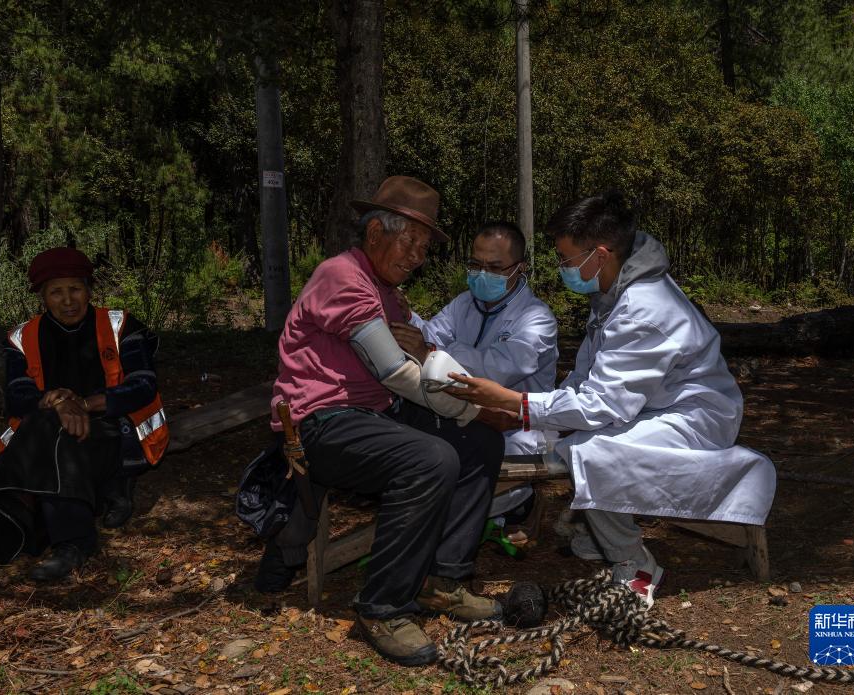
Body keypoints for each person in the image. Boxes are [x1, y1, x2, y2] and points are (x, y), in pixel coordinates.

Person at [445, 190, 776, 608]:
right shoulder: (613, 293)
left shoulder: (642, 308)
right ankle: (595, 530)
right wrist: (524, 415)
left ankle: (633, 563)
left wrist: (516, 404)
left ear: (599, 255)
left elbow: (602, 405)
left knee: (593, 452)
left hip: (697, 416)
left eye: (566, 259)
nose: (563, 269)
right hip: (653, 405)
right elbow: (586, 378)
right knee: (574, 440)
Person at [256, 176, 509, 666]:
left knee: (478, 443)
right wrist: (475, 406)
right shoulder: (343, 277)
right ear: (375, 233)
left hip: (373, 413)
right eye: (409, 241)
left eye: (424, 247)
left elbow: (418, 359)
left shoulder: (387, 292)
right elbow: (395, 372)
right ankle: (383, 607)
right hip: (322, 421)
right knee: (431, 458)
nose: (417, 256)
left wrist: (472, 412)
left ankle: (443, 578)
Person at [0, 247, 168, 582]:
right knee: (56, 433)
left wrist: (84, 404)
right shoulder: (22, 337)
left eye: (75, 289)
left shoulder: (120, 324)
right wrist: (58, 404)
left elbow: (143, 385)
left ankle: (74, 543)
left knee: (57, 439)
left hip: (117, 433)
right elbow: (17, 397)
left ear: (89, 289)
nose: (67, 301)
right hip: (54, 432)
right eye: (56, 292)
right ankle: (92, 506)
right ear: (42, 296)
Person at [390, 220, 558, 456]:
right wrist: (409, 318)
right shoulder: (465, 302)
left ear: (520, 268)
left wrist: (432, 354)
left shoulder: (537, 318)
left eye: (495, 267)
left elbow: (496, 369)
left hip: (516, 433)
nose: (483, 274)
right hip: (466, 420)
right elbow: (431, 336)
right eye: (475, 264)